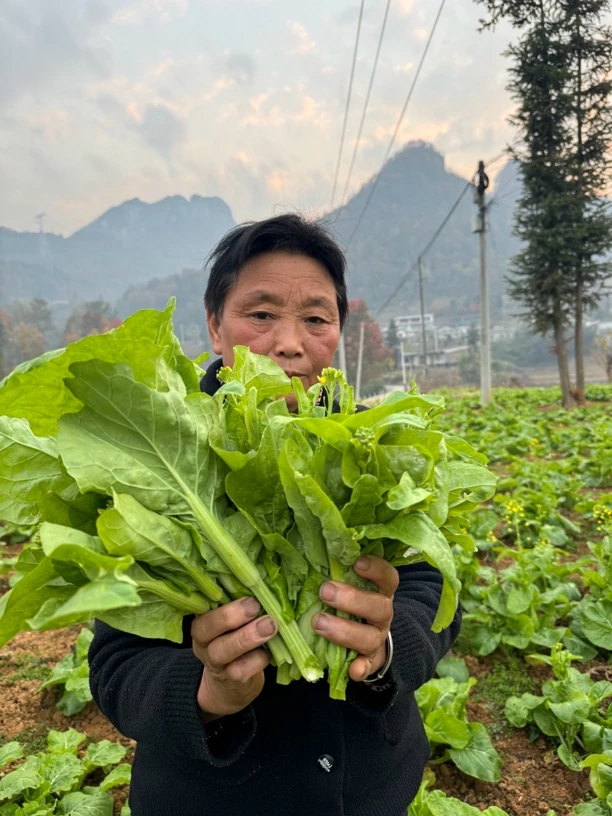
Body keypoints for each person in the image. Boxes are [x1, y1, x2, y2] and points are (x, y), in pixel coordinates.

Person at [88, 213, 462, 816]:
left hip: (370, 789)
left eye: (316, 318)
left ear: (339, 330)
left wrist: (386, 646)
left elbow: (432, 588)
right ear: (214, 325)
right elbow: (115, 666)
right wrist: (209, 692)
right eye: (260, 315)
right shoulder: (152, 460)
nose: (290, 343)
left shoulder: (376, 444)